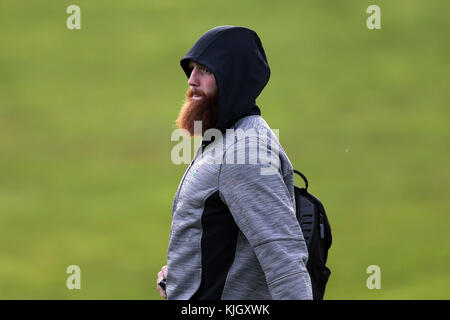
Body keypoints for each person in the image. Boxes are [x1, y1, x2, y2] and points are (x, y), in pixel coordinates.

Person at [157, 25, 312, 300]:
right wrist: (185, 273)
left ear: (233, 78)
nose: (191, 80)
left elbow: (284, 258)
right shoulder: (225, 139)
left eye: (204, 70)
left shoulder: (245, 152)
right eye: (191, 69)